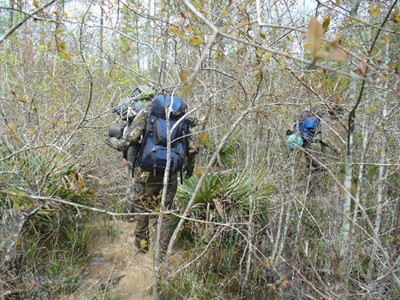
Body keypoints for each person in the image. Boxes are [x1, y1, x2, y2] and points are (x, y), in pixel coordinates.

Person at [106, 90, 198, 255]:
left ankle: (142, 253)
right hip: (170, 173)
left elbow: (129, 140)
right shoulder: (180, 115)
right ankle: (162, 253)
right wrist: (189, 169)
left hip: (146, 173)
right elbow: (191, 149)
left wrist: (112, 142)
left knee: (143, 212)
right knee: (166, 212)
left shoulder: (147, 111)